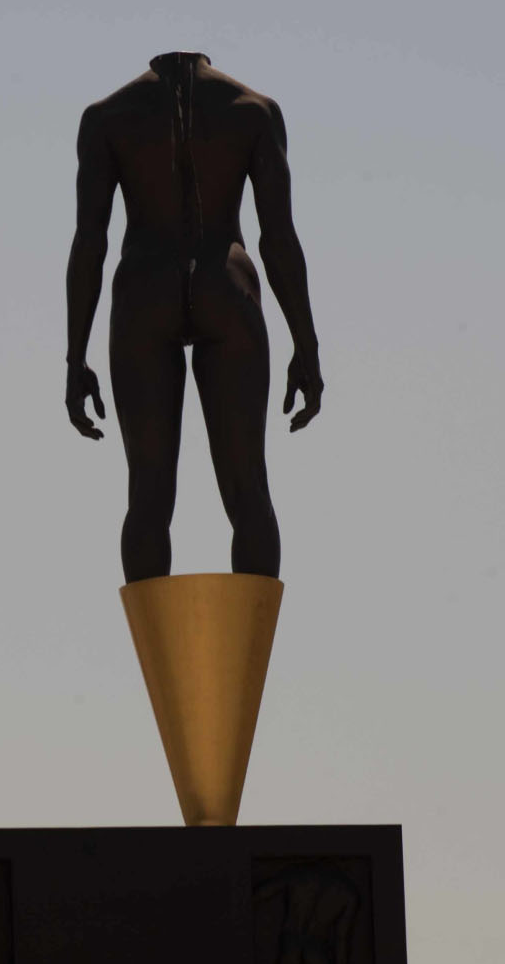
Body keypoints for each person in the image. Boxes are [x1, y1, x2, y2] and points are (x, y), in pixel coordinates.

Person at [64, 52, 323, 582]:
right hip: (227, 288)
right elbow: (279, 240)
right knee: (249, 493)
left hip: (144, 292)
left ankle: (161, 660)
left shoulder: (108, 117)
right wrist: (306, 344)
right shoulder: (254, 110)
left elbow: (90, 243)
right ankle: (241, 662)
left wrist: (76, 357)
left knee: (148, 500)